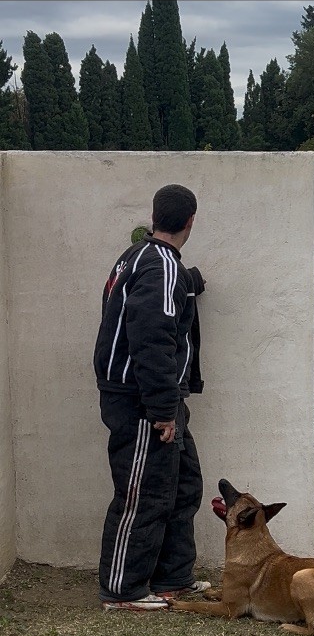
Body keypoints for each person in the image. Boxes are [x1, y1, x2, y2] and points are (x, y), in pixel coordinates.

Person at [93, 183, 210, 611]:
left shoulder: (142, 259)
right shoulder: (160, 267)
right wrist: (162, 411)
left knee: (181, 486)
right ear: (190, 222)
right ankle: (122, 590)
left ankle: (172, 578)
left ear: (156, 215)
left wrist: (191, 281)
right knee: (142, 492)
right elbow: (151, 337)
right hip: (143, 402)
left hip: (159, 399)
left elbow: (154, 305)